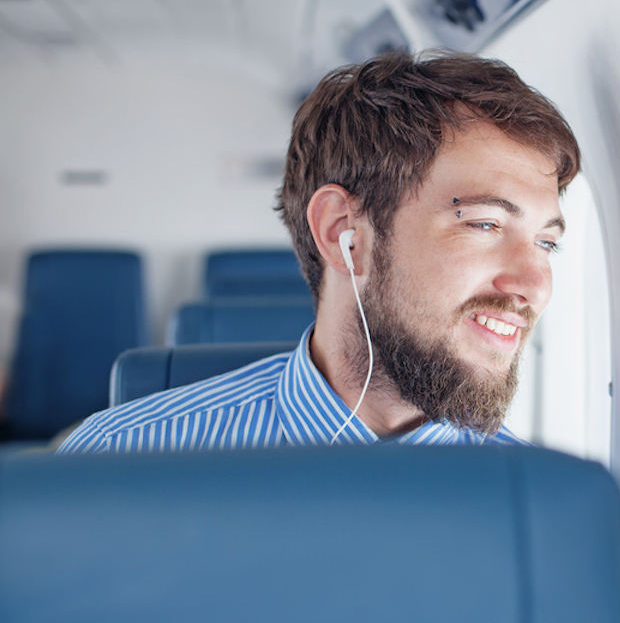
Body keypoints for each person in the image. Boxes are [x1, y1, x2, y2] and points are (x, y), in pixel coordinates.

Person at [58, 50, 580, 454]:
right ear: (341, 234)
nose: (536, 285)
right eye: (486, 224)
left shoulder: (543, 511)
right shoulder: (122, 460)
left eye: (546, 243)